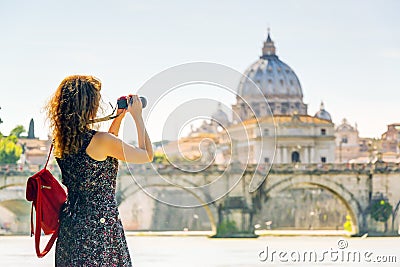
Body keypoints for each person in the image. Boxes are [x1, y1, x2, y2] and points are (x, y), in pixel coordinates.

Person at [46, 75, 153, 266]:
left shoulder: (62, 142)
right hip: (100, 227)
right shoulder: (101, 141)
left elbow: (105, 150)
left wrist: (118, 117)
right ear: (88, 106)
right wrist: (137, 118)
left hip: (71, 227)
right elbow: (146, 155)